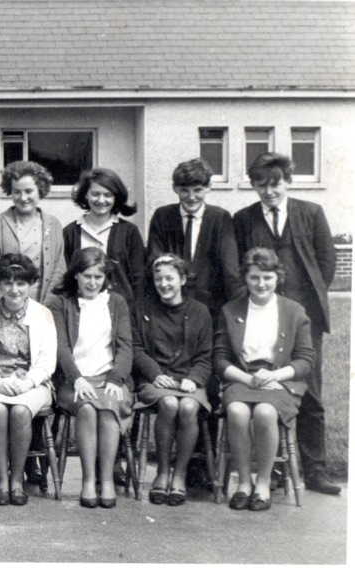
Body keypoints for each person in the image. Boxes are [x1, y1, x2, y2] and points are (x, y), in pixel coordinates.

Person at [232, 152, 339, 496]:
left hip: (302, 317)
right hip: (261, 316)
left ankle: (315, 469)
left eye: (274, 183)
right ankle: (273, 470)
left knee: (310, 391)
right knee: (265, 390)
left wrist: (301, 308)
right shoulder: (244, 218)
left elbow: (326, 264)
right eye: (260, 184)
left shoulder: (311, 213)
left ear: (287, 182)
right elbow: (238, 266)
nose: (268, 191)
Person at [214, 248, 315, 511]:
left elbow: (305, 359)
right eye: (255, 277)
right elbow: (221, 359)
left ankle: (263, 482)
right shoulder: (231, 309)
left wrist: (274, 376)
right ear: (245, 278)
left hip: (279, 379)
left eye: (267, 278)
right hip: (242, 378)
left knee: (265, 412)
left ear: (277, 278)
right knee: (236, 411)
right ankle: (244, 482)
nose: (261, 284)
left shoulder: (293, 311)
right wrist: (247, 379)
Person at [47, 247, 133, 509]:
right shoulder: (60, 303)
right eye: (87, 276)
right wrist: (77, 378)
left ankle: (106, 480)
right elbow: (61, 346)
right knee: (85, 409)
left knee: (107, 408)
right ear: (75, 276)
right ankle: (87, 480)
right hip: (74, 379)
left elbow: (125, 346)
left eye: (98, 276)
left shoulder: (116, 302)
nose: (93, 282)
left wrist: (116, 379)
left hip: (109, 377)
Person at [0, 253, 55, 506]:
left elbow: (47, 362)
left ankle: (17, 480)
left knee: (20, 411)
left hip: (33, 382)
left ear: (30, 285)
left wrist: (28, 382)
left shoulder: (43, 314)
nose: (14, 289)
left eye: (21, 283)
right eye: (7, 282)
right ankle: (1, 480)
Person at [132, 254, 213, 506]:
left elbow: (205, 355)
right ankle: (162, 472)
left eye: (170, 278)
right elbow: (136, 349)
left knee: (188, 406)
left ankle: (179, 475)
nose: (164, 284)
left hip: (188, 381)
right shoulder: (143, 308)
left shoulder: (199, 311)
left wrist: (194, 378)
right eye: (158, 279)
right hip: (154, 380)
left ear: (182, 280)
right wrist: (156, 374)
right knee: (168, 404)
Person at [147, 158, 242, 318]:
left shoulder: (220, 218)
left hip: (211, 307)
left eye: (197, 190)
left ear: (208, 188)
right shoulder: (162, 216)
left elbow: (229, 267)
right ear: (175, 188)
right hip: (170, 305)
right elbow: (155, 260)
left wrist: (238, 308)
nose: (191, 197)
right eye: (185, 190)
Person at [0, 160, 65, 306]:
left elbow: (59, 270)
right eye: (16, 192)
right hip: (6, 303)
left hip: (42, 304)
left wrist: (45, 306)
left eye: (29, 191)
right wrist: (6, 302)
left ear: (40, 190)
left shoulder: (53, 224)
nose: (23, 198)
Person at [63, 168, 145, 308]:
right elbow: (65, 277)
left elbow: (139, 277)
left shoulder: (129, 231)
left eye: (108, 195)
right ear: (86, 195)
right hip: (81, 310)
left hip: (121, 311)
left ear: (116, 197)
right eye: (95, 194)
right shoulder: (70, 232)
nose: (101, 200)